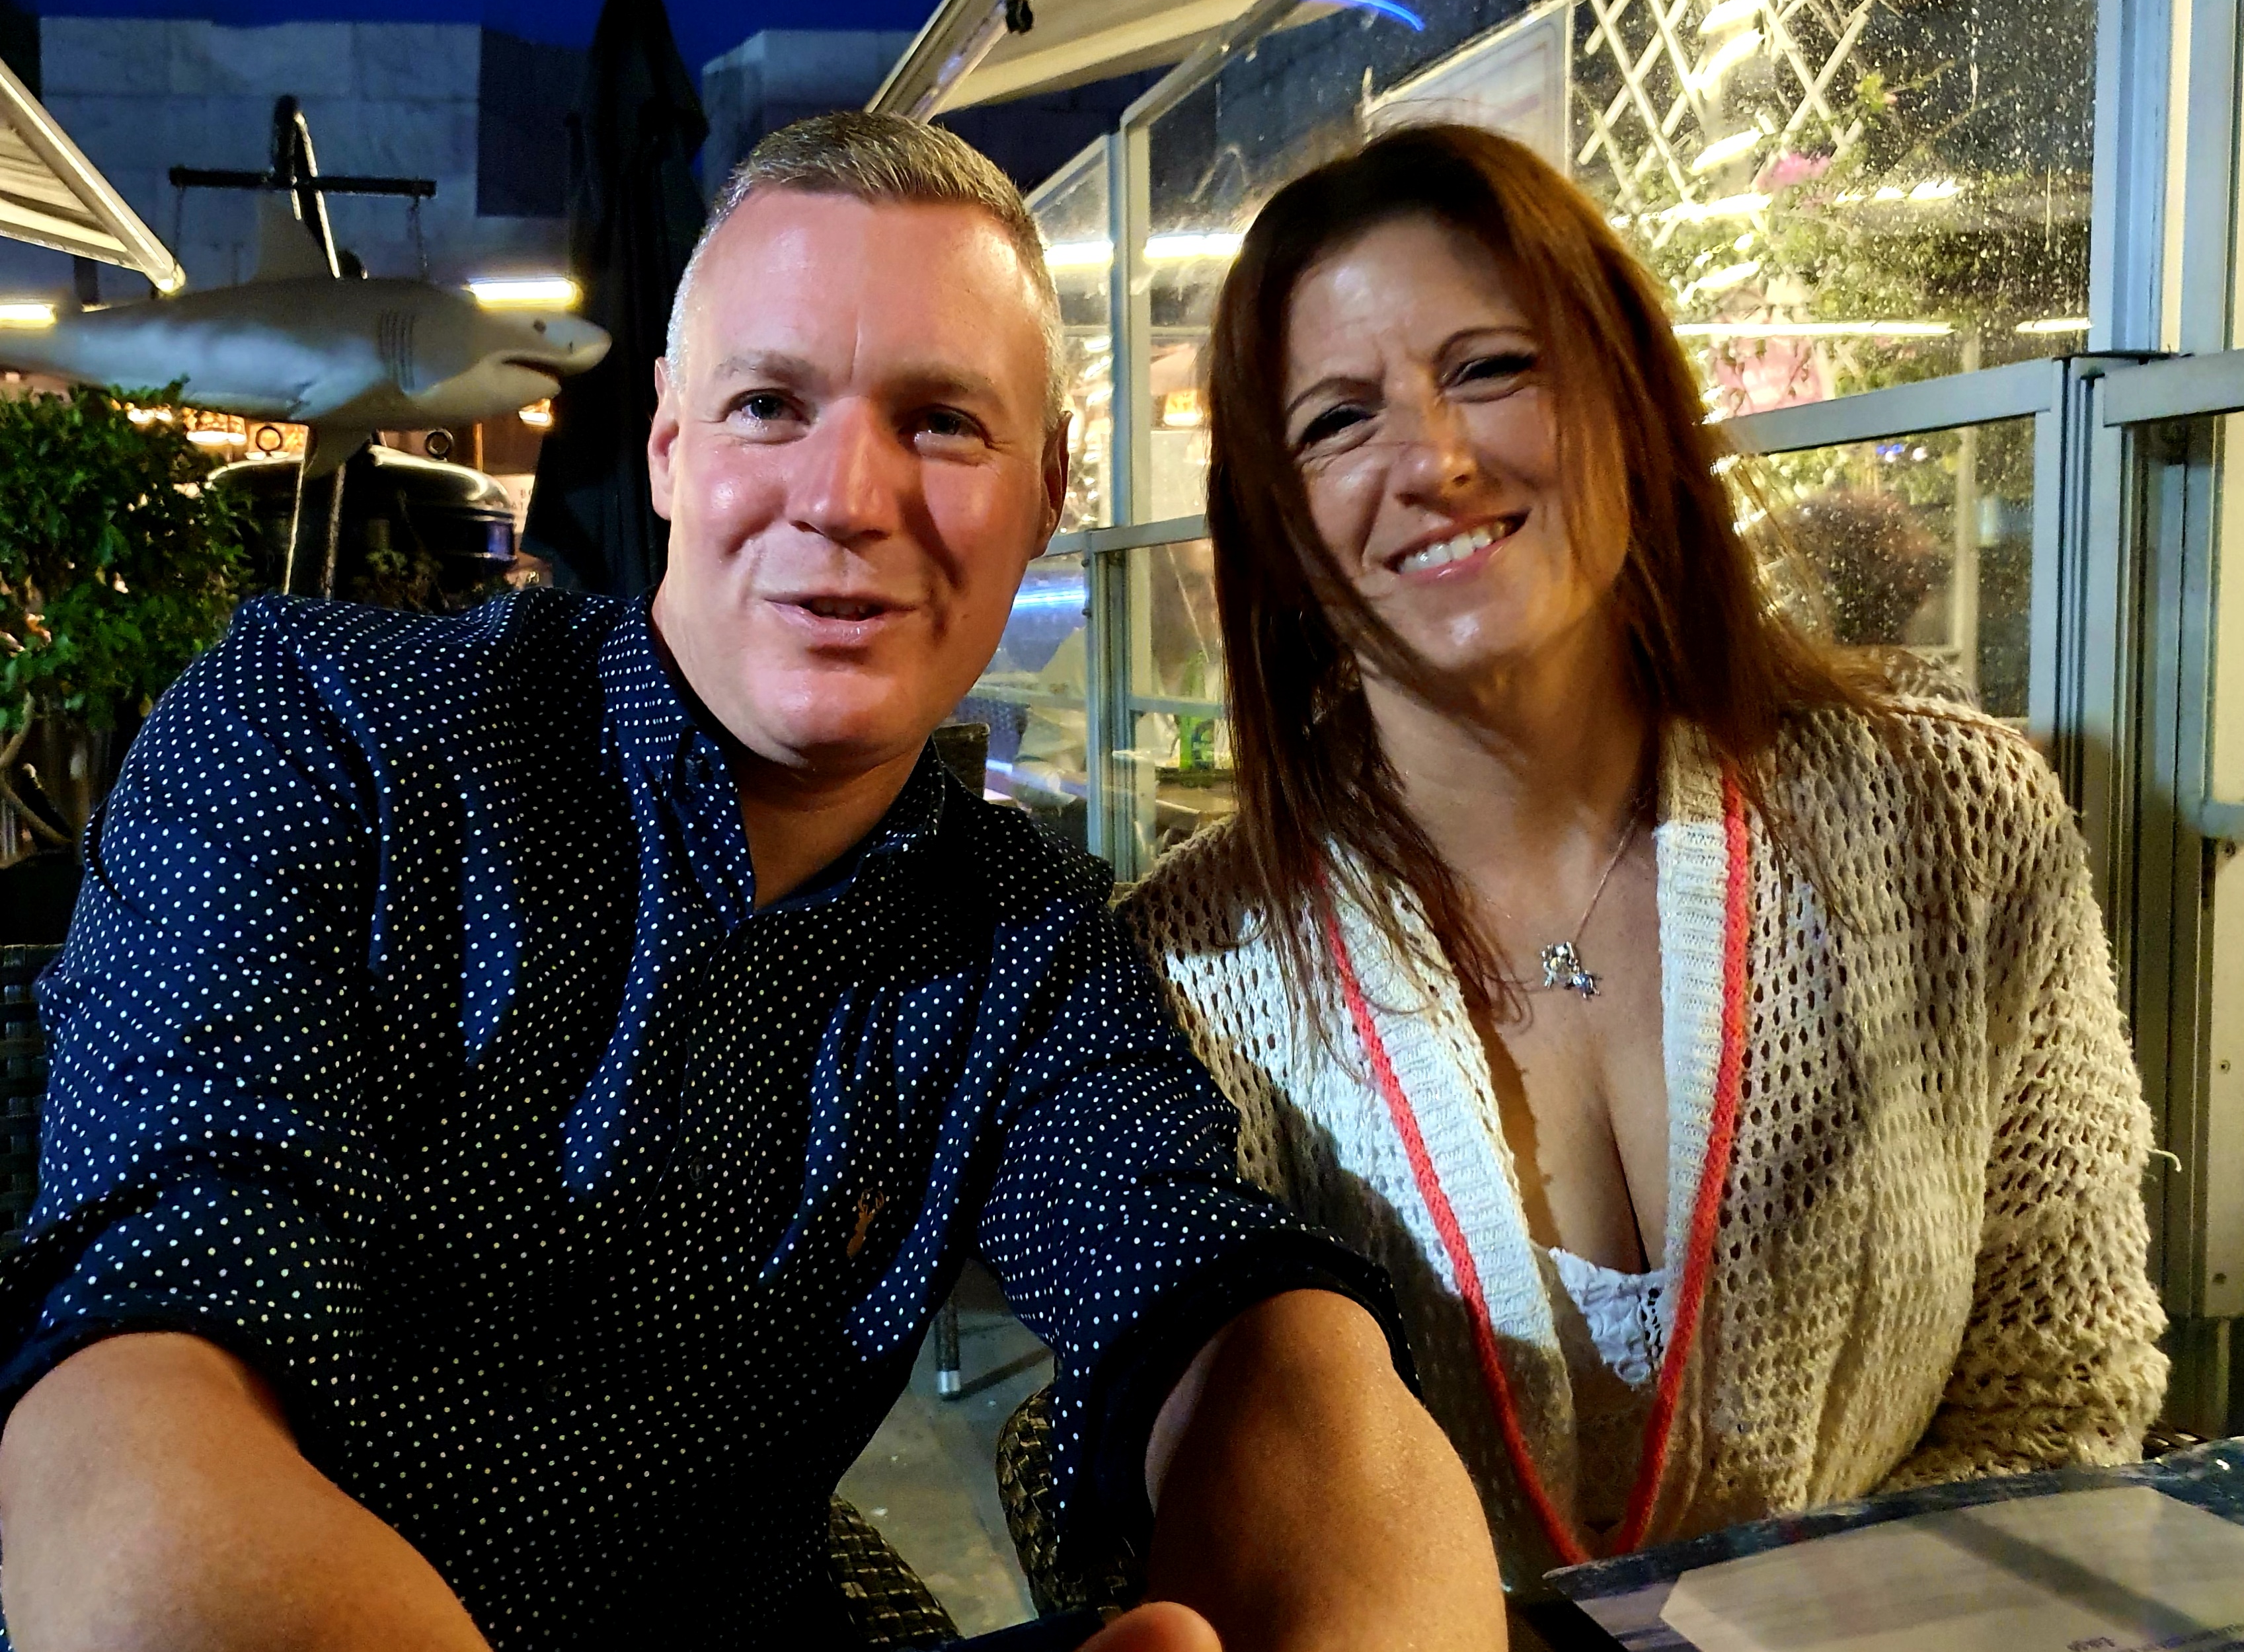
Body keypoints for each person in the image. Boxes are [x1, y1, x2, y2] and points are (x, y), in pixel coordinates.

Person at [0, 114, 1506, 1652]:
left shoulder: (1019, 940)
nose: (845, 495)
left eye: (942, 421)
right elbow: (144, 1368)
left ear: (1049, 488)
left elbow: (1210, 1297)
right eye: (770, 404)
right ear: (670, 444)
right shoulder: (331, 733)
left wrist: (1346, 1531)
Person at [1120, 124, 2167, 1626]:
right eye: (1339, 420)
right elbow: (1163, 1484)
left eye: (1493, 367)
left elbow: (2062, 1384)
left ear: (1630, 399)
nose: (1437, 462)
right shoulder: (1189, 967)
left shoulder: (1956, 824)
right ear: (1275, 525)